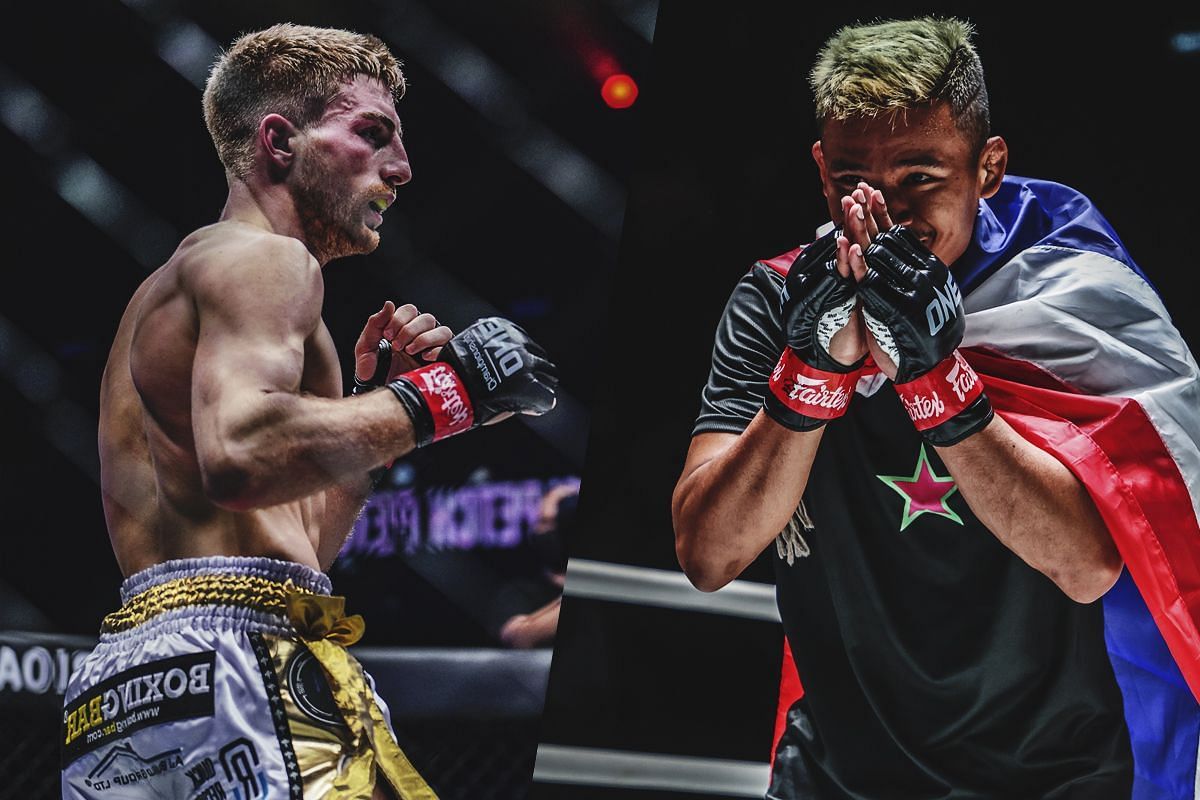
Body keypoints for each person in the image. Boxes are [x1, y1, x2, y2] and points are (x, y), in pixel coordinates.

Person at [671, 16, 1200, 800]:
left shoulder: (1068, 295)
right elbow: (709, 556)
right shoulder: (778, 298)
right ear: (822, 171)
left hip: (1052, 776)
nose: (887, 212)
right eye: (857, 180)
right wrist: (812, 374)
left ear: (988, 167)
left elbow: (1089, 566)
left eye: (921, 176)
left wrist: (933, 375)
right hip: (836, 773)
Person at [62, 23, 557, 800]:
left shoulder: (163, 291)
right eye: (372, 134)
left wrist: (373, 423)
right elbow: (242, 456)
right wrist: (447, 396)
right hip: (246, 666)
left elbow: (290, 548)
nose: (401, 168)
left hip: (127, 688)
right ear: (280, 141)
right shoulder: (266, 259)